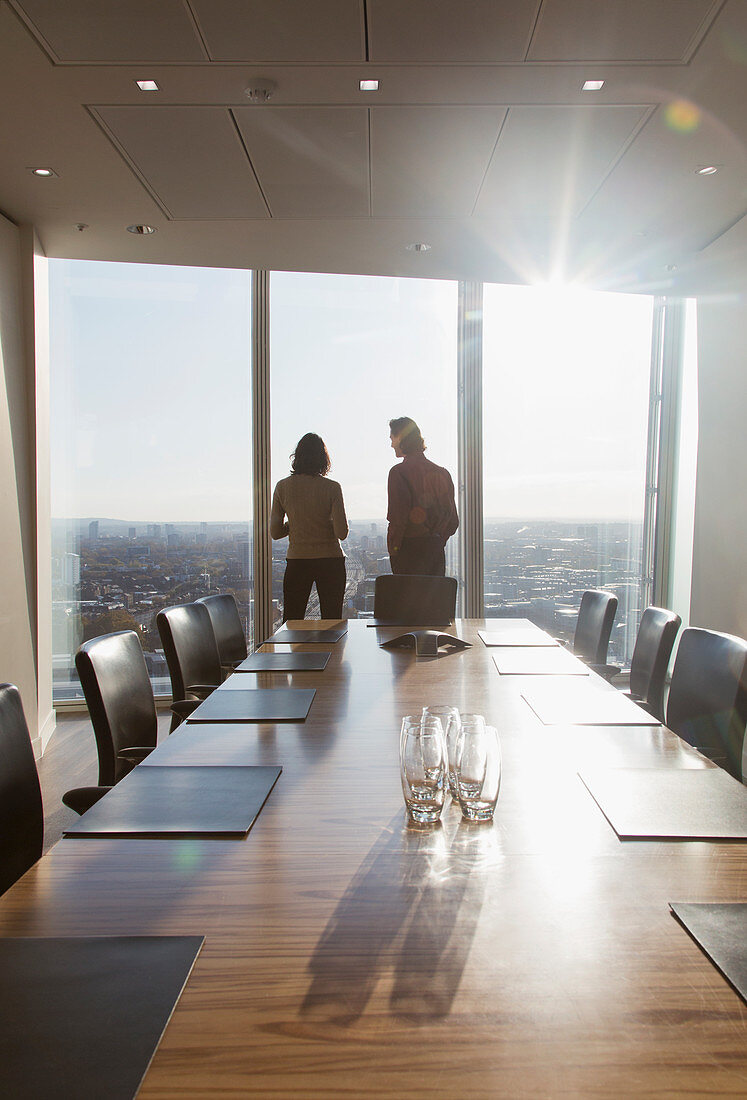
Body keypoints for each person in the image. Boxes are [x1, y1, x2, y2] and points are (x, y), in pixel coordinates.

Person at [271, 433, 348, 622]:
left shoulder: (282, 487)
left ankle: (296, 653)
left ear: (297, 457)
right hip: (331, 561)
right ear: (323, 458)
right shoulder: (332, 488)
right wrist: (324, 521)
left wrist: (295, 523)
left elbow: (275, 532)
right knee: (332, 622)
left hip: (298, 561)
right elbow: (342, 533)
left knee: (293, 621)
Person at [387, 416, 458, 576]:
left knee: (408, 600)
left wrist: (395, 551)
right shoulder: (442, 473)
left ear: (400, 438)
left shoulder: (399, 473)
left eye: (392, 438)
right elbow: (453, 521)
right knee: (433, 600)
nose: (391, 444)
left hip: (408, 551)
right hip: (434, 551)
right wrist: (436, 541)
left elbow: (398, 519)